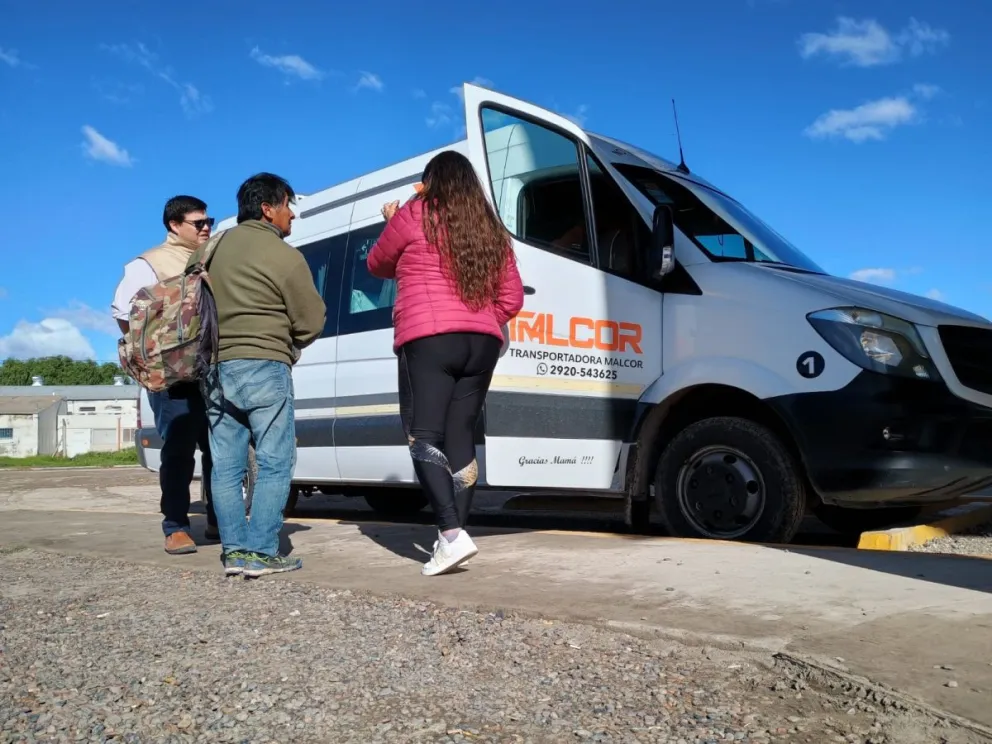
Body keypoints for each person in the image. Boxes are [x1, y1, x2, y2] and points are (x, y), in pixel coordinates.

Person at [369, 150, 524, 576]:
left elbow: (377, 262)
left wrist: (393, 218)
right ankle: (453, 535)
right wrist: (481, 319)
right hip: (482, 344)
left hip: (430, 339)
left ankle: (452, 535)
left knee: (423, 436)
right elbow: (512, 298)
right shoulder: (490, 228)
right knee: (460, 439)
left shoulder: (415, 212)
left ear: (429, 182)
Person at [195, 173, 325, 578]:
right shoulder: (283, 255)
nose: (293, 216)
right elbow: (312, 320)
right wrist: (290, 344)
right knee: (274, 461)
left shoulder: (211, 247)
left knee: (227, 465)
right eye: (289, 204)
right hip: (264, 363)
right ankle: (262, 552)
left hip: (214, 368)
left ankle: (234, 551)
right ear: (268, 208)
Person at [111, 195, 219, 554]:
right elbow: (124, 315)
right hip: (172, 375)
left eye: (209, 222)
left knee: (222, 448)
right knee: (179, 450)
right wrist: (156, 352)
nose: (206, 228)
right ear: (174, 225)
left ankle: (222, 521)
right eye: (198, 223)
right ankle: (176, 526)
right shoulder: (148, 264)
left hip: (214, 369)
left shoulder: (214, 256)